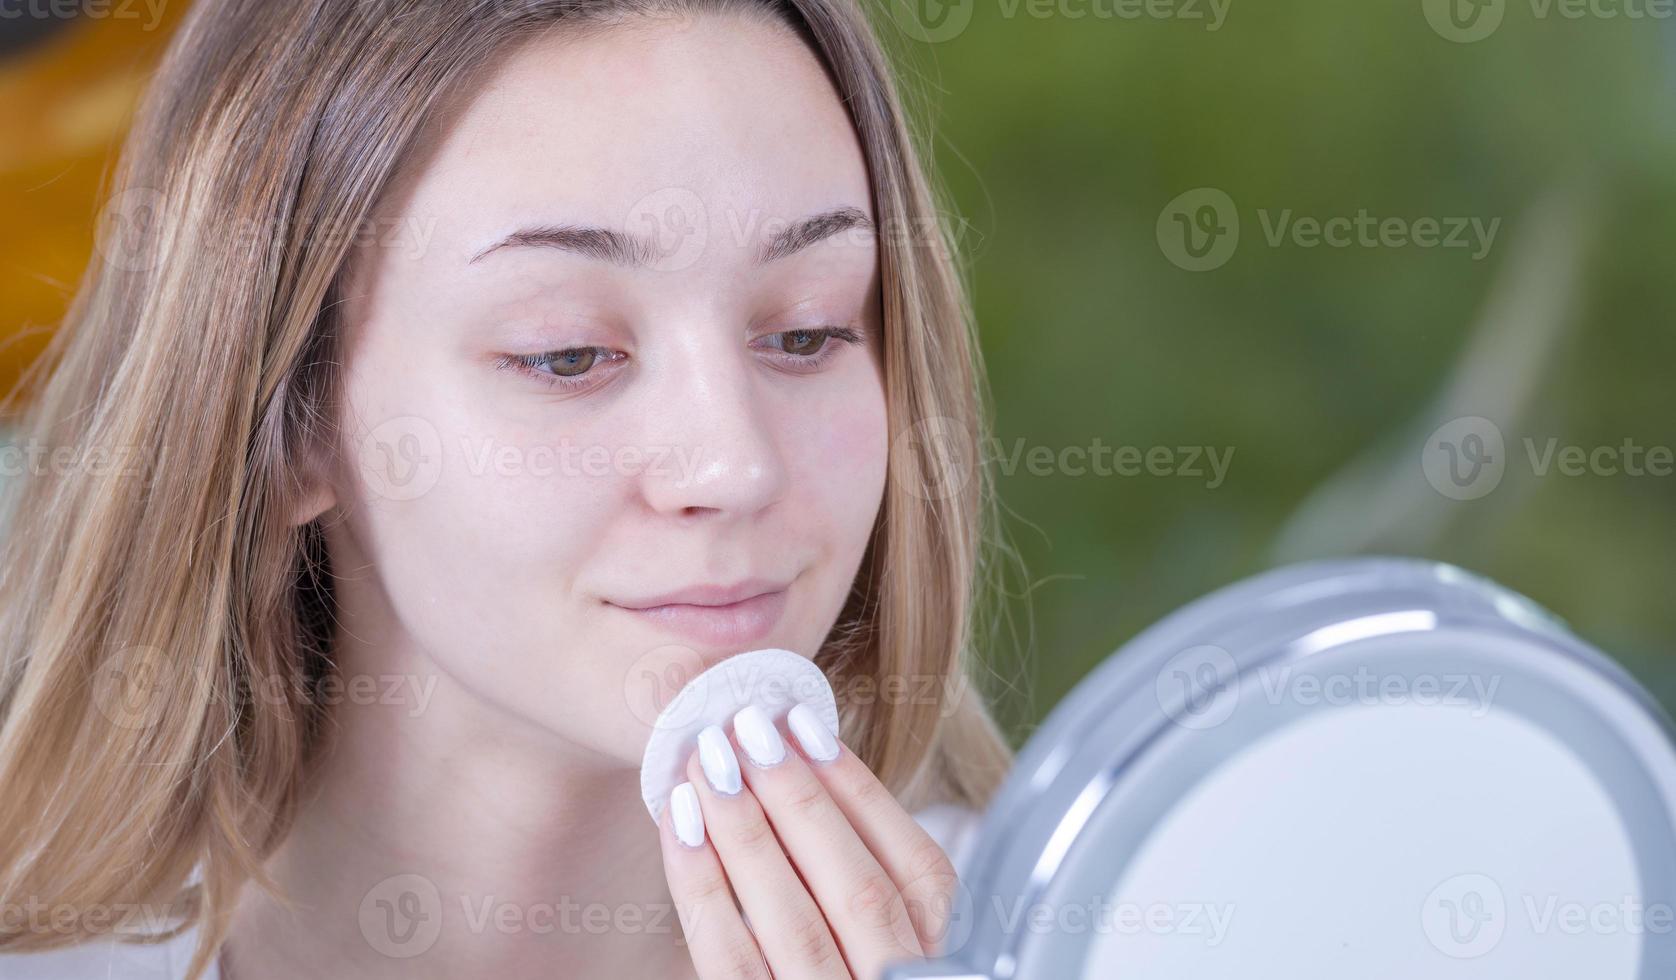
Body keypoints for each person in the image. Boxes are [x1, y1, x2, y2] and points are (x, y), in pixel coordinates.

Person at [0, 0, 1016, 976]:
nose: (735, 463)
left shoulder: (1091, 931)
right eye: (567, 353)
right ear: (291, 423)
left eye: (805, 331)